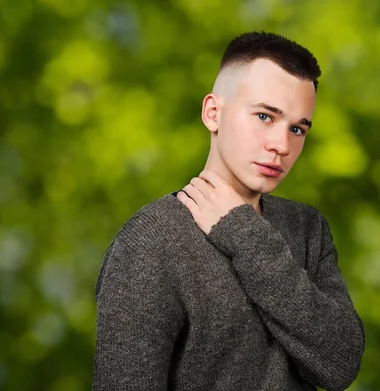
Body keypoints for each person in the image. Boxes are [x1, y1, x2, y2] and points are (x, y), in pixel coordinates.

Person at [93, 31, 365, 391]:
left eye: (297, 128)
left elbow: (341, 364)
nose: (281, 145)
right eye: (265, 117)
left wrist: (241, 232)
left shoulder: (307, 229)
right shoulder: (150, 241)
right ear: (213, 113)